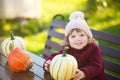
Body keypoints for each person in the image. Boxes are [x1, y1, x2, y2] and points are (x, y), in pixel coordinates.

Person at [43, 11, 106, 80]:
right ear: (68, 40)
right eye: (73, 36)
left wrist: (84, 73)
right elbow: (56, 57)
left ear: (88, 37)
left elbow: (96, 66)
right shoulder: (68, 49)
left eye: (81, 35)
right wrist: (48, 64)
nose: (78, 39)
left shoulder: (93, 49)